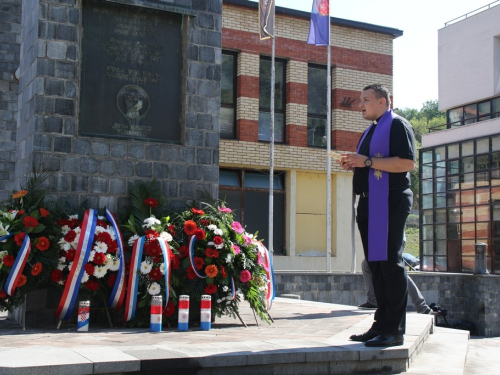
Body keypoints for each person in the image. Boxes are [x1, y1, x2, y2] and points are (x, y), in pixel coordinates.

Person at [339, 84, 416, 347]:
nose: (360, 104)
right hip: (370, 202)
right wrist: (354, 164)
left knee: (390, 265)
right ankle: (381, 324)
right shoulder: (371, 130)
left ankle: (394, 330)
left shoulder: (397, 125)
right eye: (360, 100)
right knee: (377, 266)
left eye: (366, 100)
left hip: (390, 200)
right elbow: (368, 166)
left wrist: (367, 162)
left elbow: (407, 164)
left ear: (383, 102)